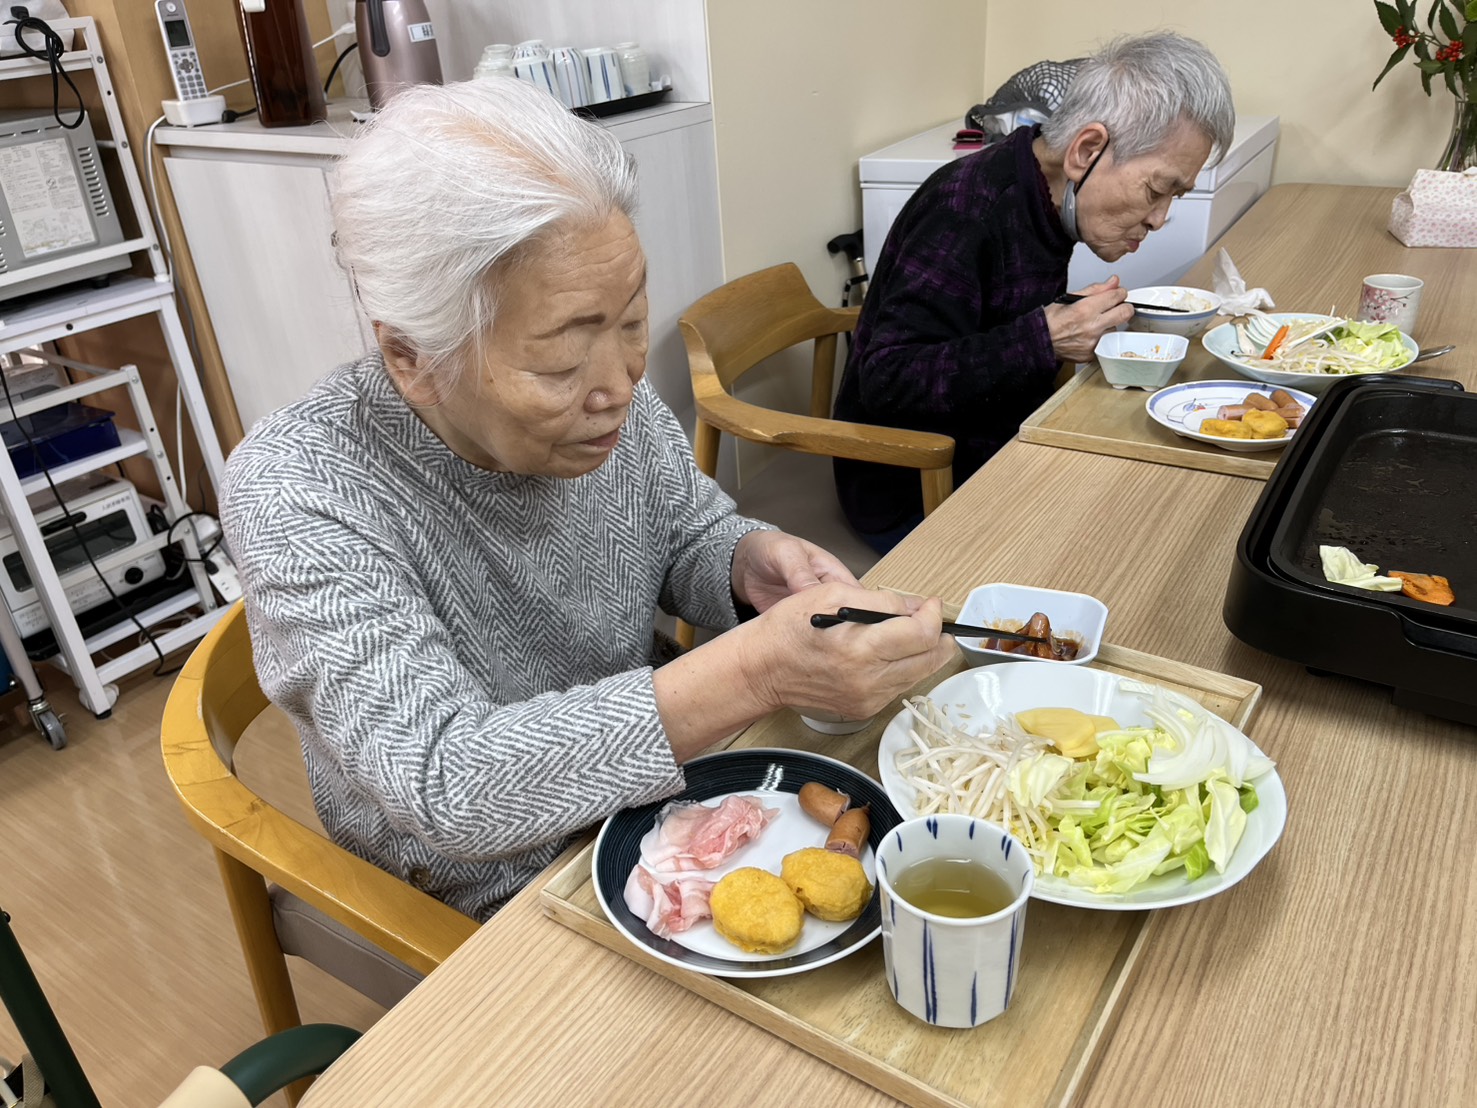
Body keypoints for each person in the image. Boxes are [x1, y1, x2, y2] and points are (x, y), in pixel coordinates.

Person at [219, 78, 956, 922]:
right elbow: (445, 784)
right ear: (411, 358)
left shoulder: (607, 398)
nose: (619, 385)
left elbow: (683, 527)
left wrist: (745, 561)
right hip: (493, 881)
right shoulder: (301, 485)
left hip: (658, 799)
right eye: (560, 362)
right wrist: (756, 668)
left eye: (632, 320)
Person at [833, 32, 1235, 552]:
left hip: (1006, 440)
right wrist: (1043, 339)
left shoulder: (1042, 191)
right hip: (919, 485)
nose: (1159, 218)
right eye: (1157, 190)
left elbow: (987, 318)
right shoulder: (965, 211)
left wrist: (1063, 322)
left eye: (1174, 196)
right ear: (1086, 151)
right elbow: (888, 380)